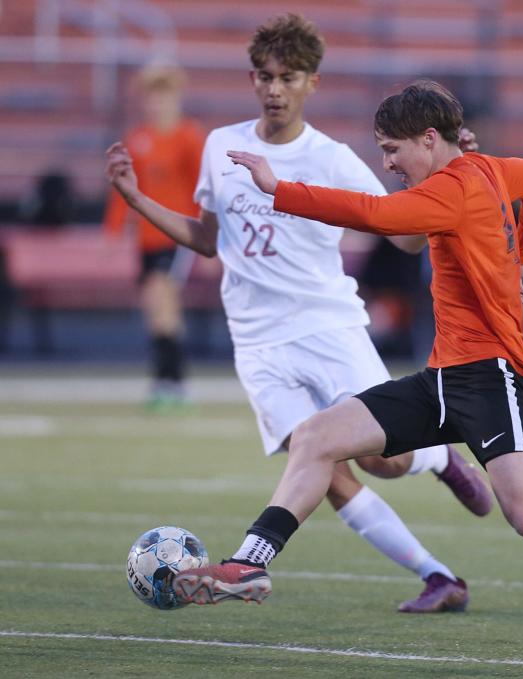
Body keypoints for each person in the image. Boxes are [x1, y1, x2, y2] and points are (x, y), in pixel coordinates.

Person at [173, 79, 523, 659]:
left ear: (429, 140)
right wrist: (519, 255)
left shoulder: (452, 189)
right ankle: (250, 565)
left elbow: (372, 213)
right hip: (444, 378)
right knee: (318, 436)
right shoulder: (487, 169)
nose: (388, 162)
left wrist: (280, 188)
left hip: (490, 378)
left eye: (393, 150)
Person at [105, 13, 493, 614]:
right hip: (258, 346)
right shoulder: (220, 146)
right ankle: (438, 576)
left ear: (313, 83)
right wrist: (136, 199)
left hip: (328, 327)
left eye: (288, 77)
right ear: (252, 79)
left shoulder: (331, 159)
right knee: (328, 476)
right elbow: (208, 240)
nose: (274, 89)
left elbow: (408, 239)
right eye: (264, 76)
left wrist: (448, 182)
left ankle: (439, 454)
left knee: (379, 459)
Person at [103, 65, 205, 409]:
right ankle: (164, 380)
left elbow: (202, 188)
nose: (156, 104)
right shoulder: (138, 138)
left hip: (177, 233)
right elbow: (126, 190)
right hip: (146, 238)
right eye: (151, 97)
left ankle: (173, 382)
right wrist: (114, 230)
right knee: (154, 308)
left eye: (163, 96)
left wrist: (210, 233)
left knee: (163, 300)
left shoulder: (188, 137)